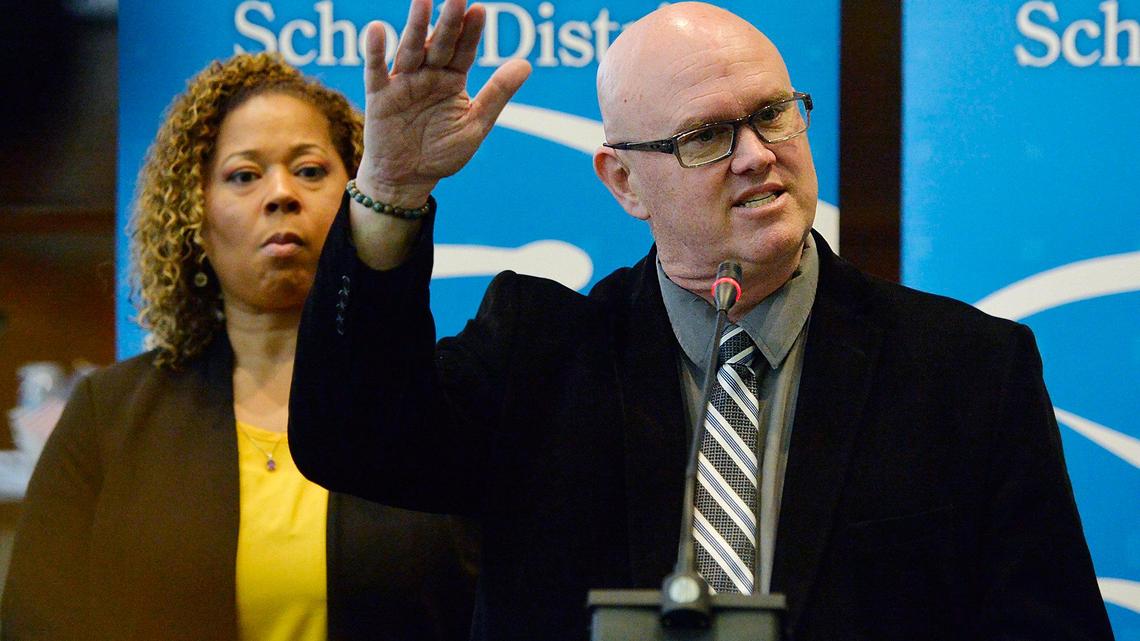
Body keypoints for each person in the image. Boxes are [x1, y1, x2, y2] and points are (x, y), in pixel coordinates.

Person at [288, 1, 1115, 640]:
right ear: (624, 183)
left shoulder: (967, 369)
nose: (758, 154)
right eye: (707, 136)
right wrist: (390, 189)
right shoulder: (540, 352)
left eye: (774, 113)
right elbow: (353, 439)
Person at [1, 53, 477, 641]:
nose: (281, 195)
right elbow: (36, 623)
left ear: (358, 196)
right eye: (244, 176)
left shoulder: (436, 410)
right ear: (193, 216)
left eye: (309, 170)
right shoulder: (110, 415)